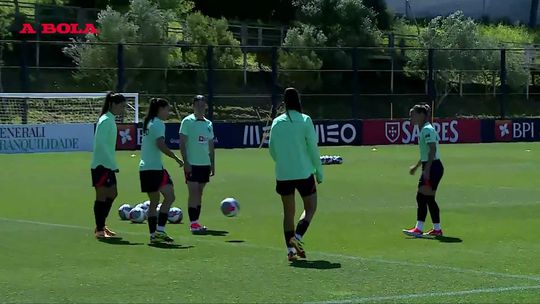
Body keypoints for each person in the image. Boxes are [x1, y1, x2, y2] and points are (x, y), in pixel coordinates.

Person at [268, 87, 323, 262]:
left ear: (284, 103)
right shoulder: (305, 120)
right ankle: (297, 238)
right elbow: (313, 149)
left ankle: (290, 251)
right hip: (303, 172)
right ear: (298, 100)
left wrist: (283, 162)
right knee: (310, 208)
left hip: (283, 174)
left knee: (288, 213)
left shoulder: (277, 122)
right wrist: (319, 172)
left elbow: (272, 149)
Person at [140, 98, 184, 243]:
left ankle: (156, 234)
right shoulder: (158, 124)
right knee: (165, 198)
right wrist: (176, 157)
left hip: (148, 168)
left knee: (161, 199)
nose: (168, 112)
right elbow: (160, 144)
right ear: (160, 109)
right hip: (153, 169)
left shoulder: (149, 122)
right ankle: (157, 232)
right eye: (167, 109)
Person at [403, 103, 445, 238]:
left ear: (421, 115)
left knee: (421, 197)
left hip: (433, 167)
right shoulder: (424, 129)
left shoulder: (427, 129)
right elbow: (426, 153)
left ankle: (419, 228)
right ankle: (437, 229)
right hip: (432, 166)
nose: (411, 118)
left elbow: (432, 149)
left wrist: (426, 170)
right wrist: (416, 166)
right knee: (428, 198)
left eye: (413, 115)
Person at [90, 92, 126, 239]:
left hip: (107, 165)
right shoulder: (105, 120)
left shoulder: (110, 119)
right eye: (121, 106)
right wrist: (111, 164)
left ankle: (101, 225)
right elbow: (101, 144)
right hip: (101, 165)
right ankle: (99, 230)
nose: (122, 109)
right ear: (112, 104)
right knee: (102, 196)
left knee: (112, 193)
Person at [179, 95, 215, 234]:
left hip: (204, 164)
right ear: (193, 106)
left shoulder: (208, 124)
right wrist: (186, 162)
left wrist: (213, 164)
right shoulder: (187, 122)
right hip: (192, 164)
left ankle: (196, 222)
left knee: (199, 193)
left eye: (203, 105)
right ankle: (193, 223)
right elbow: (182, 143)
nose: (200, 107)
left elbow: (211, 146)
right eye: (198, 105)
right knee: (193, 192)